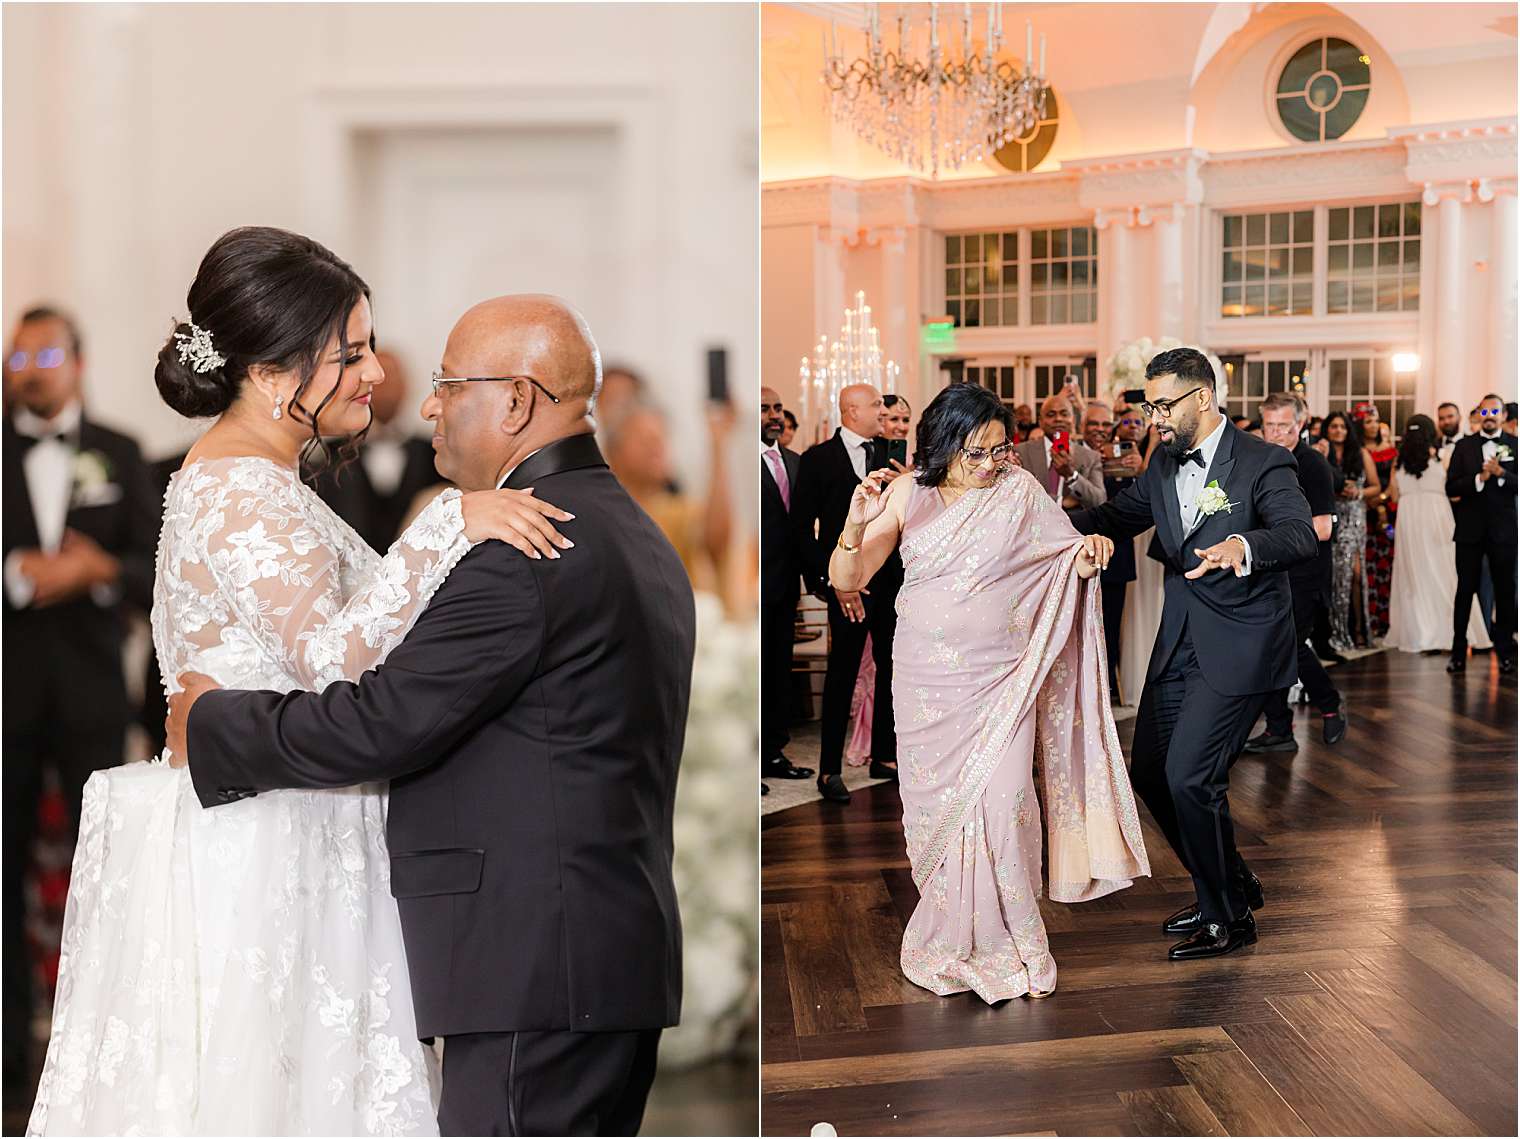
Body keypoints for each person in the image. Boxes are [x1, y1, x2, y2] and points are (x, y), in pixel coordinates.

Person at [25, 229, 590, 1136]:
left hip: (299, 819)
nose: (375, 370)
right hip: (266, 840)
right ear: (275, 370)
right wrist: (450, 522)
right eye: (351, 351)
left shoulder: (263, 479)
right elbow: (336, 662)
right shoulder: (239, 487)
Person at [828, 382, 1148, 1000]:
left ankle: (1016, 939)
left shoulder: (1019, 491)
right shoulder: (903, 495)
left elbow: (1060, 558)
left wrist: (1088, 556)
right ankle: (952, 934)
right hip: (927, 684)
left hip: (1004, 678)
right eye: (977, 452)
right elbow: (850, 575)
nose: (992, 464)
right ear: (943, 445)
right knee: (938, 813)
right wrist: (853, 522)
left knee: (1006, 802)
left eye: (1000, 450)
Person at [1072, 348, 1317, 960]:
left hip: (1244, 640)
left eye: (1163, 404)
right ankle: (1229, 883)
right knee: (1152, 774)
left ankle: (1227, 917)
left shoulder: (1265, 460)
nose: (1153, 417)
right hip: (1179, 638)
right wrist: (1020, 513)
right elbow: (1111, 516)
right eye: (1149, 404)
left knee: (1191, 777)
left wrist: (1242, 544)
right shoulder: (1162, 468)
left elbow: (1296, 531)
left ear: (1202, 397)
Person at [2, 306, 161, 1100]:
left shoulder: (121, 451)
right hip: (7, 701)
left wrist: (96, 570)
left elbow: (154, 570)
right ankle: (7, 1071)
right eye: (18, 352)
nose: (31, 366)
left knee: (108, 874)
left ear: (80, 362)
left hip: (95, 695)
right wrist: (20, 577)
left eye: (47, 351)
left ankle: (105, 1057)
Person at [791, 383, 901, 802]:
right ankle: (829, 770)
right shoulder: (817, 460)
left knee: (892, 671)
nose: (884, 409)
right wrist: (836, 583)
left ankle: (884, 756)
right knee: (843, 673)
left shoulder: (892, 453)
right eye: (876, 404)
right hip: (848, 589)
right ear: (852, 410)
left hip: (890, 586)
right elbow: (801, 532)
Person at [1243, 393, 1346, 753]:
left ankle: (1328, 707)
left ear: (1299, 425)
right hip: (1271, 571)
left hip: (1306, 573)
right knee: (1273, 647)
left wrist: (1264, 540)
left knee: (1286, 646)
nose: (1274, 433)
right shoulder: (1260, 460)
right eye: (1268, 425)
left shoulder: (1312, 463)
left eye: (1283, 426)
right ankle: (1280, 728)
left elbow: (1322, 529)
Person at [313, 349, 447, 552]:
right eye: (378, 382)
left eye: (393, 379)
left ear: (406, 385)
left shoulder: (435, 453)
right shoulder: (328, 455)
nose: (385, 387)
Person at [603, 397, 733, 592]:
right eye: (645, 440)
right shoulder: (601, 513)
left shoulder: (676, 510)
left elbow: (716, 540)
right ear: (614, 451)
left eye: (661, 438)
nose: (658, 447)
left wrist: (718, 444)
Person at [1386, 415, 1491, 654]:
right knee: (1447, 572)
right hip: (1436, 516)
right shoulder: (1443, 457)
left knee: (1414, 575)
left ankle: (1421, 632)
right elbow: (1454, 493)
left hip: (1409, 518)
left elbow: (1393, 496)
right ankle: (1452, 632)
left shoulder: (1397, 462)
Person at [760, 385, 811, 793]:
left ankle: (773, 753)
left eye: (777, 408)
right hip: (752, 587)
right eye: (764, 409)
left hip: (786, 587)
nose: (774, 415)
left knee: (778, 674)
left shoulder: (794, 462)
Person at [1446, 393, 1517, 673]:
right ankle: (1458, 652)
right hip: (1470, 531)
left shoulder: (1515, 444)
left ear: (1503, 416)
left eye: (1494, 412)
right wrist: (1479, 479)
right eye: (1484, 412)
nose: (1489, 417)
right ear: (1479, 415)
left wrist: (1501, 473)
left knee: (1505, 591)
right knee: (1465, 590)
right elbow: (1450, 487)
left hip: (1504, 532)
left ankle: (1505, 651)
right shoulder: (1464, 446)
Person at [1317, 410, 1381, 651]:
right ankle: (1334, 631)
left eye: (1342, 427)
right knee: (1333, 576)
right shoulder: (1322, 453)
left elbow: (1376, 487)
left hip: (1354, 517)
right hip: (1331, 515)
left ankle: (1358, 630)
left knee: (1354, 574)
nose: (1338, 431)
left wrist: (1360, 492)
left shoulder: (1361, 453)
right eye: (1333, 427)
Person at [1013, 390, 1106, 512]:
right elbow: (1015, 495)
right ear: (1040, 422)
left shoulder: (1091, 457)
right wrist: (1060, 502)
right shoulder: (1021, 452)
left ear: (1073, 420)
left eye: (1064, 414)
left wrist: (1071, 475)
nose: (1058, 419)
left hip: (1074, 528)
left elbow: (1099, 500)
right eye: (1051, 415)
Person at [1360, 406, 1397, 641]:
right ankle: (1369, 621)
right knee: (1368, 568)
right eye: (1368, 422)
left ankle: (1387, 620)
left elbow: (1394, 485)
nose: (1373, 425)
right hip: (1364, 511)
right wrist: (1373, 502)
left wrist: (1381, 502)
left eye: (1376, 421)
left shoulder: (1392, 452)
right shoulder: (1359, 452)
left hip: (1388, 513)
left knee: (1388, 565)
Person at [1436, 401, 1464, 466]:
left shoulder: (1472, 443)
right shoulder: (1434, 444)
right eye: (1441, 418)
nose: (1446, 422)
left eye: (1450, 416)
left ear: (1459, 417)